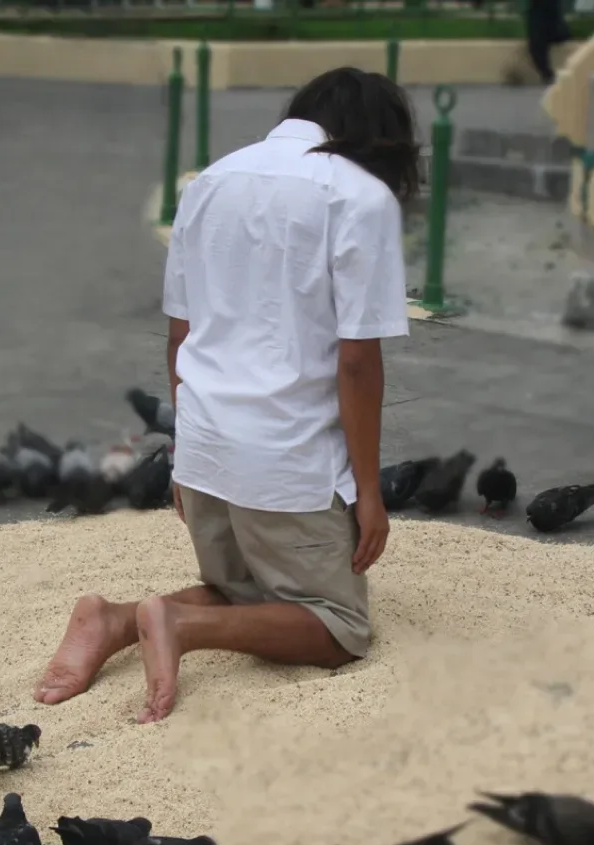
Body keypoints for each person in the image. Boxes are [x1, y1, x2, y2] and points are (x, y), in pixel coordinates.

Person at [35, 67, 420, 724]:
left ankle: (117, 619)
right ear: (382, 141)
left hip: (207, 446)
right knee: (340, 629)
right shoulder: (359, 198)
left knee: (243, 588)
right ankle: (179, 626)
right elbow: (357, 363)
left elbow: (181, 335)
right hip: (287, 462)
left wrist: (189, 451)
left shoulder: (211, 181)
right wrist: (370, 492)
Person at [526, 0, 570, 86]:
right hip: (541, 13)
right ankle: (547, 74)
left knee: (538, 43)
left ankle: (547, 74)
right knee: (537, 44)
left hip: (547, 15)